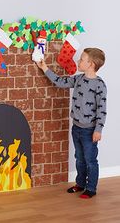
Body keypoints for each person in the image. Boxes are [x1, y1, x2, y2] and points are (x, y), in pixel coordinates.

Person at [36, 48, 107, 199]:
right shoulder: (78, 79)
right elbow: (60, 82)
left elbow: (102, 109)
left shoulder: (99, 85)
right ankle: (80, 184)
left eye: (81, 59)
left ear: (91, 64)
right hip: (76, 128)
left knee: (90, 160)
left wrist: (98, 130)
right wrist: (44, 68)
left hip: (90, 130)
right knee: (79, 158)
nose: (78, 61)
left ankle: (91, 188)